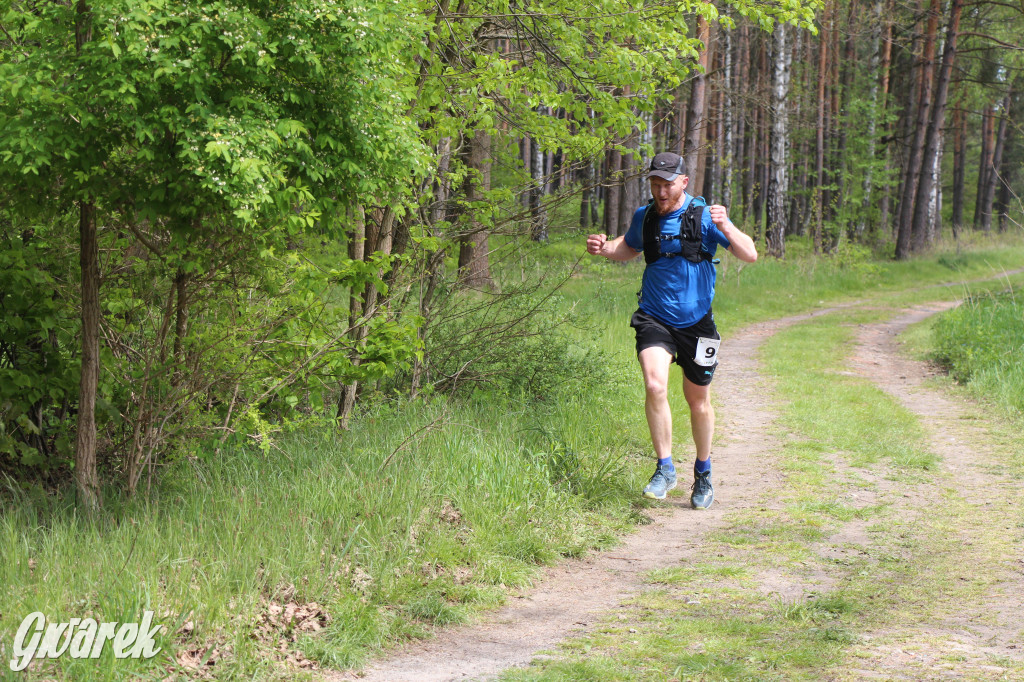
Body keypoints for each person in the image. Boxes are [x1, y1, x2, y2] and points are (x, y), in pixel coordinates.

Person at [586, 152, 758, 508]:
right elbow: (628, 247)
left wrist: (726, 226)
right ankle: (664, 468)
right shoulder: (645, 216)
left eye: (667, 184)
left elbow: (749, 254)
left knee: (698, 402)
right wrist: (604, 248)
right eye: (655, 184)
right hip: (654, 317)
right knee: (654, 383)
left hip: (699, 325)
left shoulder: (705, 216)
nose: (661, 192)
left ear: (683, 182)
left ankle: (703, 473)